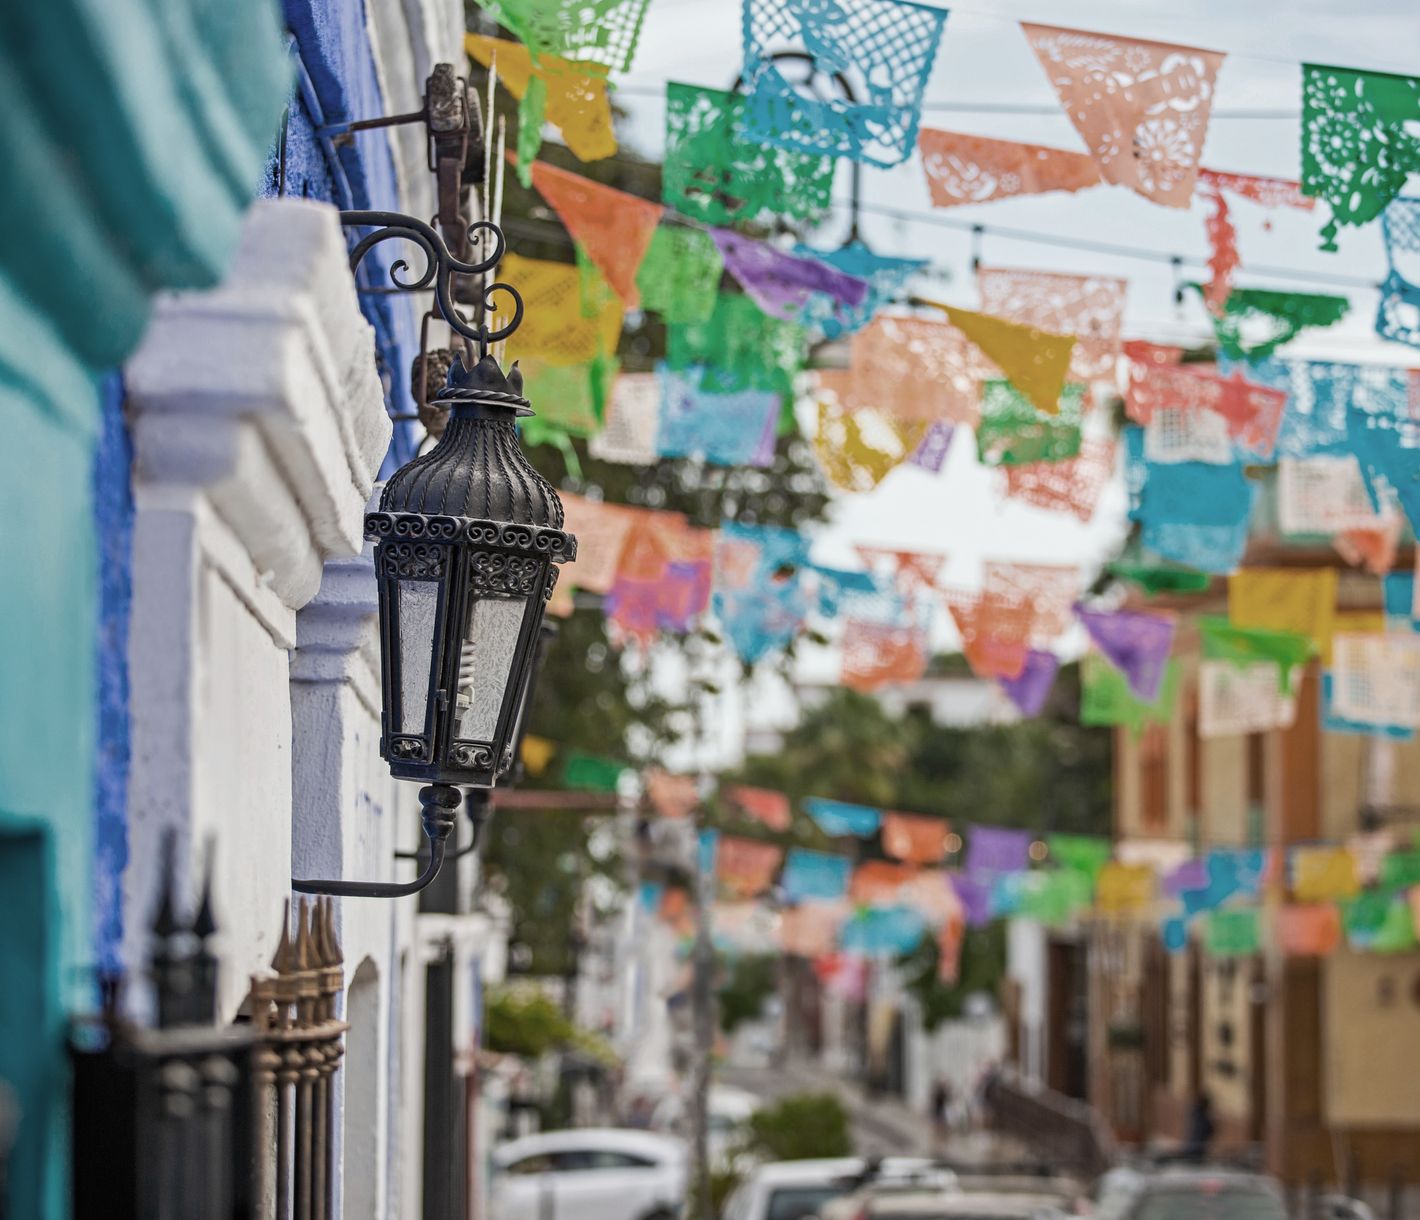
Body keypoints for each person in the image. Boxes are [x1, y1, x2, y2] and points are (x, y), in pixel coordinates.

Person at [1182, 1092, 1215, 1164]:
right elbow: (1211, 1130)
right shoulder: (1202, 1118)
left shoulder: (1195, 1114)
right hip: (1196, 1149)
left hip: (1192, 1147)